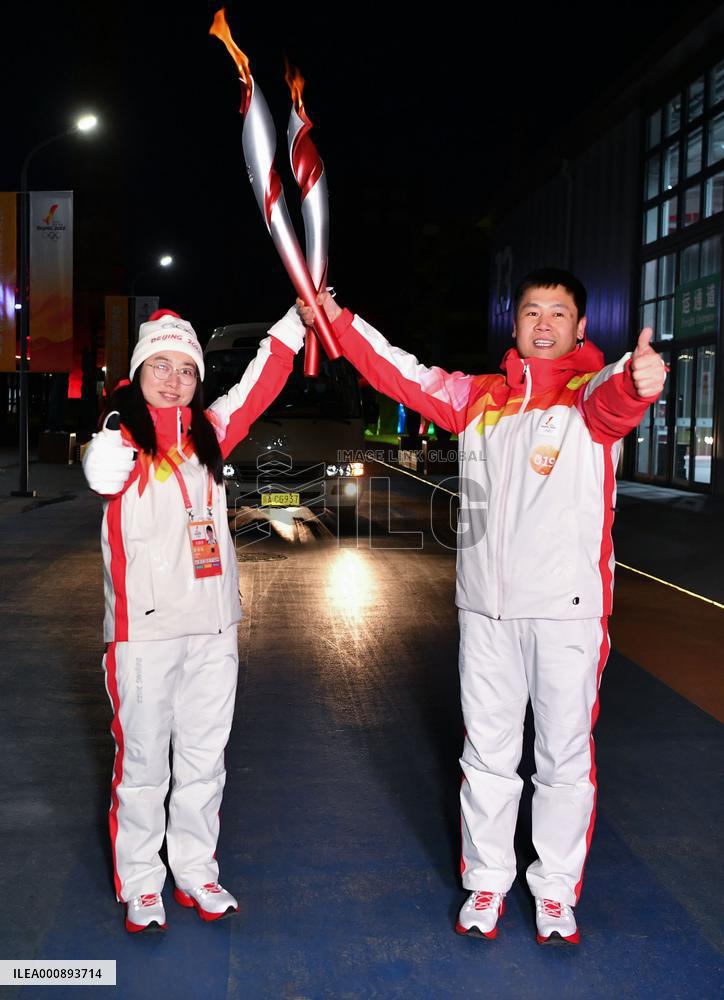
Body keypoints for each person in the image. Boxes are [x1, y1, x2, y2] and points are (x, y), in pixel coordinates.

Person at [297, 269, 666, 945]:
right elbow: (398, 374)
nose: (545, 323)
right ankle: (488, 883)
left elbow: (619, 401)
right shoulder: (479, 399)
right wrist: (338, 321)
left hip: (566, 613)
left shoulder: (588, 398)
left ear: (580, 328)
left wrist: (640, 380)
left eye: (559, 313)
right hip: (486, 614)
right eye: (533, 311)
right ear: (517, 325)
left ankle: (554, 892)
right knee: (488, 757)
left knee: (563, 758)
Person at [83, 306, 306, 933]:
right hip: (144, 636)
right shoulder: (120, 440)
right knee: (146, 765)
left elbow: (261, 382)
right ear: (138, 372)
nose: (175, 379)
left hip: (212, 631)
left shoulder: (210, 432)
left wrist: (293, 321)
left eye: (186, 369)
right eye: (161, 366)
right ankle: (142, 881)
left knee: (205, 759)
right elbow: (102, 473)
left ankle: (195, 870)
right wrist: (103, 453)